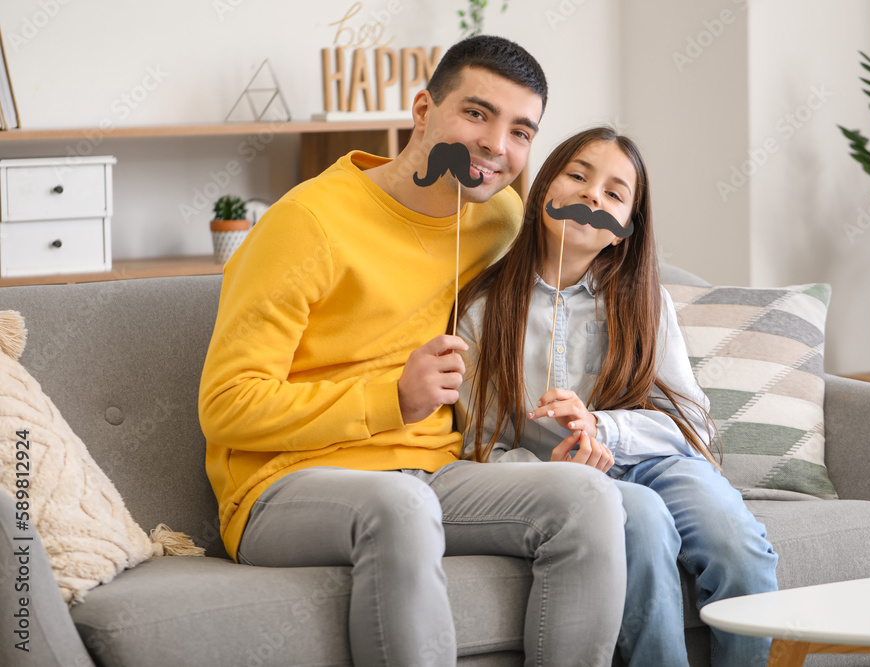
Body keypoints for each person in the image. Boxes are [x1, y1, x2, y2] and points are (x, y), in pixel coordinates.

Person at [199, 36, 628, 667]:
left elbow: (568, 289)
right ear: (423, 110)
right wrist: (392, 398)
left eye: (520, 130)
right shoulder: (305, 225)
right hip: (284, 487)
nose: (496, 145)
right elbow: (227, 406)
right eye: (477, 114)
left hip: (437, 474)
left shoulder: (500, 219)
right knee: (401, 506)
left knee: (591, 500)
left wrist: (587, 421)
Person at [455, 126, 780, 666]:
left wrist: (604, 428)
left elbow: (693, 422)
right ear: (542, 193)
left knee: (734, 543)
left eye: (613, 193)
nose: (591, 196)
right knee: (645, 526)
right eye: (578, 176)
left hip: (655, 460)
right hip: (563, 479)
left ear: (622, 230)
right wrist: (563, 469)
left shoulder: (644, 301)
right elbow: (480, 444)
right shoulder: (483, 310)